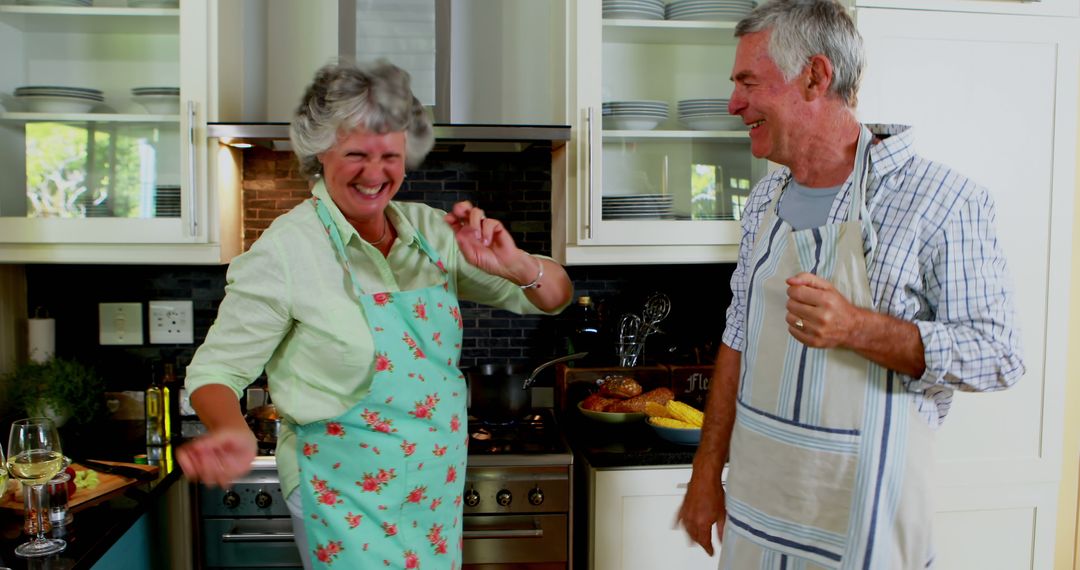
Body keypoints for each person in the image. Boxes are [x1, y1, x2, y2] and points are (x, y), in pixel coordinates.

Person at [177, 60, 573, 569]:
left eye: (389, 155)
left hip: (434, 490)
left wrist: (515, 263)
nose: (374, 173)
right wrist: (229, 427)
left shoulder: (432, 234)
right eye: (356, 154)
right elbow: (216, 372)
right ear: (320, 152)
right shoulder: (287, 251)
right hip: (342, 496)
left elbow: (555, 295)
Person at [677, 1, 1024, 568]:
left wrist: (856, 327)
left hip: (867, 515)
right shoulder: (765, 199)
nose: (733, 103)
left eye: (748, 82)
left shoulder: (942, 201)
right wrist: (706, 472)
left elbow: (999, 356)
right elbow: (738, 336)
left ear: (815, 76)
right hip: (760, 505)